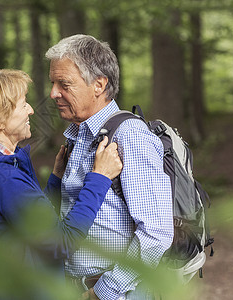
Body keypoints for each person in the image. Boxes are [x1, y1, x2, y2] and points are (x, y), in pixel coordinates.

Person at [0, 68, 123, 300]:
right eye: (22, 104)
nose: (31, 110)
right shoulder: (2, 177)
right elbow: (60, 243)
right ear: (0, 121)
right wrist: (100, 177)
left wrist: (55, 179)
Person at [45, 34, 174, 299]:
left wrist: (102, 292)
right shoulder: (79, 135)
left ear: (98, 85)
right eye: (53, 83)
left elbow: (156, 232)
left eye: (64, 84)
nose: (53, 93)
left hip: (119, 292)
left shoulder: (130, 137)